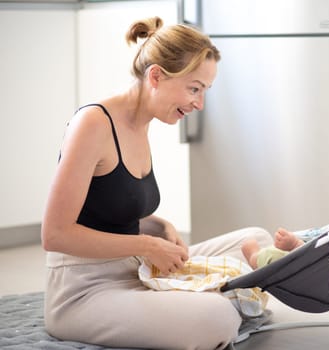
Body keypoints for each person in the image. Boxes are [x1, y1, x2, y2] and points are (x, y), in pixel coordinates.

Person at [41, 17, 273, 350]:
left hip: (139, 270)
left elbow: (107, 210)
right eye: (194, 88)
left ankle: (217, 299)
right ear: (156, 76)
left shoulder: (141, 124)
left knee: (257, 241)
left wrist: (158, 227)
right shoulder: (92, 123)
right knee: (217, 317)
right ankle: (225, 301)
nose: (199, 103)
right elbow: (55, 235)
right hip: (85, 293)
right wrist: (147, 246)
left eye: (204, 91)